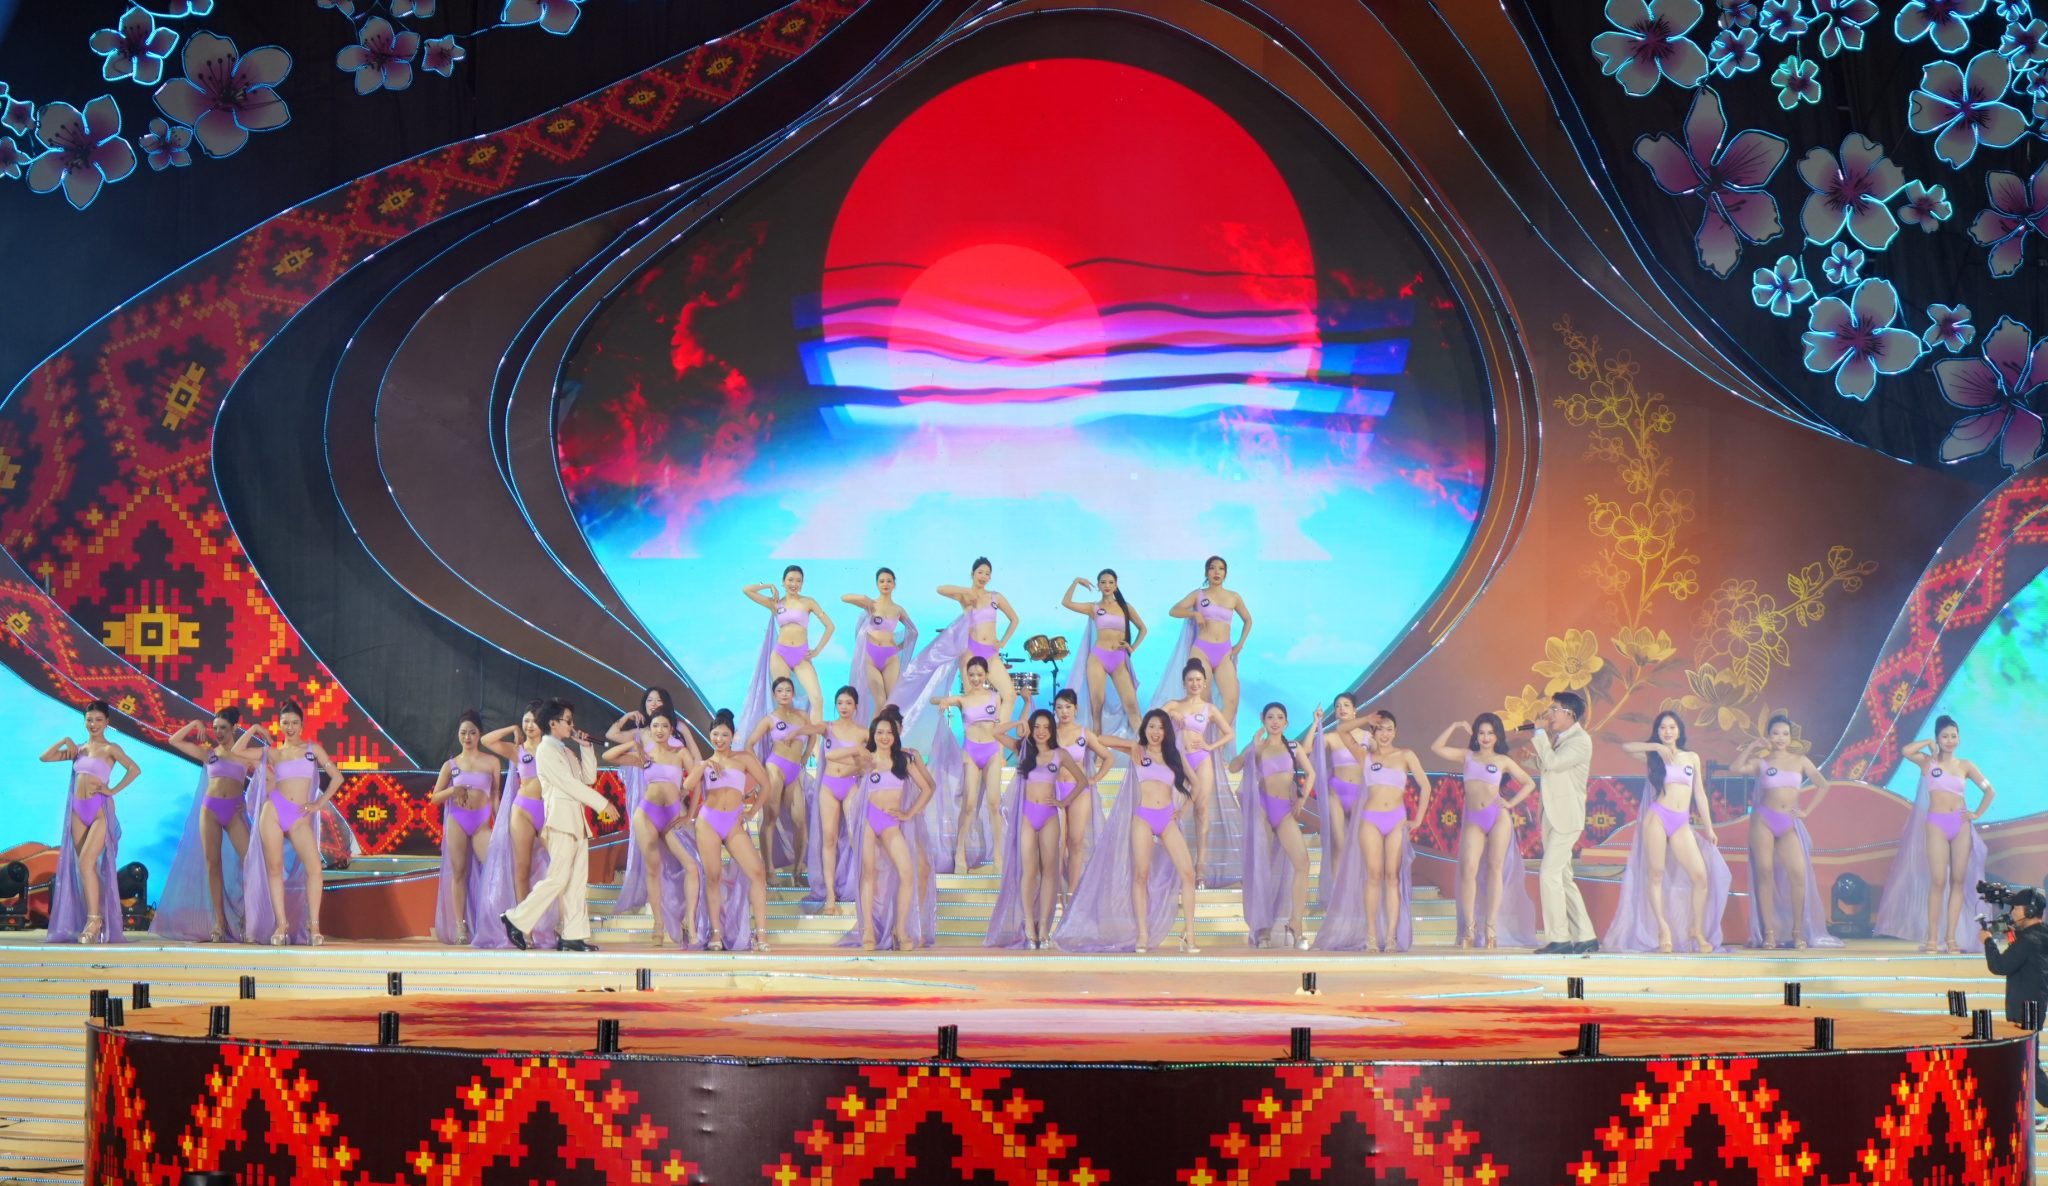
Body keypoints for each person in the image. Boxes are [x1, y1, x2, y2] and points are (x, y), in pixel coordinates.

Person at [1054, 709, 1201, 954]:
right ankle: (1142, 934)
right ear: (1145, 729)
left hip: (1167, 818)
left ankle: (1190, 934)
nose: (1156, 732)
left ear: (1167, 731)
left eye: (1160, 727)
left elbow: (1196, 785)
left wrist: (1182, 810)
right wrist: (1132, 744)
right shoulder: (1138, 752)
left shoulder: (1174, 756)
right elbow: (1102, 739)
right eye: (1151, 727)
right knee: (1140, 875)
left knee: (1187, 874)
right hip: (1143, 818)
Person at [500, 699, 620, 952]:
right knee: (558, 877)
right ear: (553, 723)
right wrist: (603, 804)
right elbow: (567, 783)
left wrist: (586, 748)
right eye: (568, 721)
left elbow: (587, 778)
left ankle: (572, 935)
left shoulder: (565, 750)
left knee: (576, 881)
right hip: (560, 819)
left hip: (576, 821)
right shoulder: (546, 749)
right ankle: (516, 918)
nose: (572, 726)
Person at [1610, 711, 1730, 954]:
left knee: (1700, 877)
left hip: (1681, 822)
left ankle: (1696, 930)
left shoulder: (1691, 757)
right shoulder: (1654, 755)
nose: (1667, 731)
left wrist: (1709, 827)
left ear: (1679, 730)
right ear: (1658, 731)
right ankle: (1663, 929)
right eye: (1663, 727)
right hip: (1657, 818)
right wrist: (1655, 746)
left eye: (1672, 727)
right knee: (1656, 874)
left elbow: (1699, 793)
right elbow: (1626, 747)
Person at [1313, 710, 1432, 953]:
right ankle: (1371, 937)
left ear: (1395, 732)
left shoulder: (1406, 755)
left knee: (1392, 877)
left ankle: (1391, 938)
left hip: (1396, 820)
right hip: (1370, 820)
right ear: (1373, 732)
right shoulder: (1364, 755)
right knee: (1374, 875)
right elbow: (1342, 730)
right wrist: (1366, 719)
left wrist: (1418, 819)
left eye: (1389, 729)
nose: (1385, 734)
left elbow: (1426, 786)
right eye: (1380, 729)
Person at [1876, 715, 1995, 953]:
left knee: (1958, 881)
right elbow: (1906, 751)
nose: (1950, 740)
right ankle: (1932, 937)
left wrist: (1976, 813)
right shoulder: (1928, 763)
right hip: (1936, 824)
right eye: (1945, 736)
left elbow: (1989, 791)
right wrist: (1927, 743)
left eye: (1953, 736)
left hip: (1960, 825)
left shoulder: (1966, 766)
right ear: (1938, 739)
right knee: (1938, 880)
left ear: (1959, 738)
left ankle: (1951, 938)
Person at [236, 701, 345, 946]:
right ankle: (281, 925)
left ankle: (314, 926)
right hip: (274, 810)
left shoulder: (312, 750)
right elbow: (237, 750)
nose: (290, 727)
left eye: (295, 723)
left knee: (314, 868)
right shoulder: (274, 753)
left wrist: (318, 804)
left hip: (298, 816)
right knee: (275, 869)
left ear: (302, 725)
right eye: (285, 723)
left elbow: (337, 778)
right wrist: (254, 729)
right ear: (279, 725)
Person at [1730, 715, 1842, 950]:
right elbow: (1735, 768)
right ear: (1768, 736)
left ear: (1791, 737)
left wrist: (1806, 811)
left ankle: (1797, 932)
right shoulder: (1762, 762)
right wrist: (1752, 747)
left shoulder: (1800, 760)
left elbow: (1823, 785)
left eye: (1785, 734)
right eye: (1775, 733)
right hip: (1763, 821)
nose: (1780, 738)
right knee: (1765, 873)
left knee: (1798, 874)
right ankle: (1769, 934)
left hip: (1787, 824)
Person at [1429, 713, 1538, 950]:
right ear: (1476, 735)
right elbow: (1436, 748)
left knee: (1495, 869)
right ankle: (1469, 928)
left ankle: (1490, 927)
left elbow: (1529, 782)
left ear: (1497, 736)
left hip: (1497, 817)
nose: (1486, 737)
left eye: (1490, 733)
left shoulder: (1502, 760)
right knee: (1468, 869)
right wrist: (1455, 724)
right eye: (1481, 733)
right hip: (1474, 820)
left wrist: (1511, 803)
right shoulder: (1467, 756)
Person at [987, 708, 1091, 949]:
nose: (1041, 732)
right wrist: (1019, 722)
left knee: (1050, 872)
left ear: (1051, 730)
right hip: (1026, 816)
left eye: (1046, 727)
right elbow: (995, 732)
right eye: (1037, 727)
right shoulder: (1023, 750)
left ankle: (1044, 927)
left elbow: (1082, 780)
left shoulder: (1060, 754)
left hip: (1049, 817)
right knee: (1029, 871)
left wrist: (1064, 802)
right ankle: (1029, 926)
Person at [839, 707, 940, 951]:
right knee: (868, 873)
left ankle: (900, 929)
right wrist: (856, 752)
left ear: (896, 735)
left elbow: (928, 788)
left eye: (889, 733)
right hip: (867, 819)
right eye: (880, 732)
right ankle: (868, 930)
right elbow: (836, 762)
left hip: (890, 821)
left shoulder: (904, 760)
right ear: (873, 734)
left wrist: (909, 813)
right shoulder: (868, 759)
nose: (884, 737)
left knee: (907, 872)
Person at [153, 706, 255, 943]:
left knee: (251, 862)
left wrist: (250, 804)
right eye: (215, 728)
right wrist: (194, 724)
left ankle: (248, 916)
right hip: (210, 810)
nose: (218, 732)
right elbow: (174, 740)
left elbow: (265, 781)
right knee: (213, 864)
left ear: (235, 728)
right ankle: (219, 921)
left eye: (223, 728)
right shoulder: (209, 754)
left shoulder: (245, 755)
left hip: (234, 812)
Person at [42, 700, 140, 944]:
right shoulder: (80, 749)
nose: (93, 724)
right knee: (84, 868)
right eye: (89, 720)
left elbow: (134, 769)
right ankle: (94, 916)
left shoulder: (110, 748)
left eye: (98, 720)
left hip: (99, 812)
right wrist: (66, 740)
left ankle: (94, 921)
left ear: (107, 722)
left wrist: (112, 790)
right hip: (78, 811)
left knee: (87, 863)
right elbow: (45, 757)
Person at [605, 708, 702, 946]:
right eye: (655, 726)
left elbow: (697, 779)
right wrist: (634, 745)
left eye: (664, 726)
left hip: (672, 817)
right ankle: (658, 924)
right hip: (646, 815)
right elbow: (609, 756)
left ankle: (690, 921)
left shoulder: (680, 752)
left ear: (671, 730)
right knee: (653, 869)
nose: (659, 730)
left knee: (692, 866)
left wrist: (690, 814)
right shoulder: (645, 755)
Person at [685, 708, 774, 951]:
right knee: (713, 876)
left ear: (732, 736)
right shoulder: (705, 764)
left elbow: (766, 785)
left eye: (724, 735)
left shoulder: (743, 758)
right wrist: (704, 765)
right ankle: (716, 934)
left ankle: (761, 935)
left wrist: (751, 812)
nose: (719, 739)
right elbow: (687, 785)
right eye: (715, 734)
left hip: (733, 823)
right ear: (710, 735)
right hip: (708, 823)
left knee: (757, 872)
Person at [928, 656, 1024, 873]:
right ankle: (960, 852)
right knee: (969, 804)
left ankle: (998, 854)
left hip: (992, 751)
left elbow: (999, 727)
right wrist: (942, 701)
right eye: (971, 675)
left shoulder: (995, 698)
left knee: (993, 803)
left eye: (980, 674)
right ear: (967, 676)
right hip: (971, 752)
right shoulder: (962, 699)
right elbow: (935, 699)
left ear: (986, 675)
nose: (975, 678)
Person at [1232, 702, 1313, 950]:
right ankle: (1263, 928)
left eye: (1279, 717)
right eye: (1270, 717)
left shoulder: (1293, 747)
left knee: (1303, 863)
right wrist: (1251, 748)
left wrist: (1302, 798)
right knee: (1262, 868)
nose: (1275, 721)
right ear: (1263, 720)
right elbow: (1233, 767)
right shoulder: (1258, 746)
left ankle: (1295, 924)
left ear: (1286, 723)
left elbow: (1311, 773)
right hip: (1263, 809)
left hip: (1285, 812)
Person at [1160, 659, 1237, 888]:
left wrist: (1211, 746)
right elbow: (1153, 720)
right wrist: (1171, 715)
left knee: (1201, 810)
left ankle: (1200, 866)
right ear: (1184, 682)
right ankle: (1174, 864)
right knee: (1173, 809)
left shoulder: (1209, 709)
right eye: (1190, 680)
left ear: (1204, 683)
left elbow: (1229, 733)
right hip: (1177, 761)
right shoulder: (1173, 704)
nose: (1194, 684)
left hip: (1201, 760)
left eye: (1198, 680)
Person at [1529, 691, 1596, 954]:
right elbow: (1547, 765)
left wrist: (1539, 734)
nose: (1550, 714)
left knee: (1549, 873)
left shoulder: (1580, 741)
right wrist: (1526, 757)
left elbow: (1554, 763)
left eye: (1554, 709)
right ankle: (1586, 936)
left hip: (1567, 817)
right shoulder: (1561, 739)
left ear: (1570, 713)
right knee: (1563, 877)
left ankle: (1559, 939)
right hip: (1553, 814)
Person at [428, 711, 502, 945]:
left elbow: (496, 795)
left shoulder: (492, 762)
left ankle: (491, 921)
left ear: (479, 734)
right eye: (463, 733)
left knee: (493, 868)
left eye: (472, 733)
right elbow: (435, 798)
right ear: (458, 735)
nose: (467, 737)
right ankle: (461, 926)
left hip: (482, 823)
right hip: (458, 821)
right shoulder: (450, 765)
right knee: (459, 872)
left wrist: (500, 822)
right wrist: (453, 790)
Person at [797, 686, 868, 916]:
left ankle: (862, 888)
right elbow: (810, 728)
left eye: (848, 703)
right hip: (829, 787)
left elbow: (876, 755)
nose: (844, 707)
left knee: (856, 837)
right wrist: (793, 730)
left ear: (856, 706)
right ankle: (830, 895)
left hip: (851, 786)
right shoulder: (827, 727)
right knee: (829, 839)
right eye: (840, 703)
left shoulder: (863, 733)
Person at [1980, 887, 2048, 1124]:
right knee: (2025, 1062)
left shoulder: (2028, 941)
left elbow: (1999, 965)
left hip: (2024, 1008)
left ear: (2029, 910)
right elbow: (2017, 941)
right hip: (2033, 1005)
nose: (2012, 913)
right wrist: (2004, 930)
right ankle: (2024, 1113)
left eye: (2016, 908)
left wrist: (1988, 941)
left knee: (2027, 1063)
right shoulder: (2040, 934)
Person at [1164, 556, 1252, 728]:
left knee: (1232, 701)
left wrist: (1240, 644)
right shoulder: (1198, 595)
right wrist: (1194, 613)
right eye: (1212, 568)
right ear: (1206, 573)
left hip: (1224, 653)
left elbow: (1248, 620)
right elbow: (1174, 610)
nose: (1216, 572)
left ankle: (1217, 742)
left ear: (1225, 573)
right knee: (1200, 702)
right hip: (1202, 651)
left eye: (1221, 568)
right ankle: (1197, 740)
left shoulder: (1233, 597)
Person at [743, 675, 813, 884]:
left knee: (800, 821)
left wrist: (805, 756)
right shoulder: (770, 719)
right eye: (780, 691)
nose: (784, 694)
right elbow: (749, 744)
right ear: (774, 695)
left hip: (794, 771)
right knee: (770, 818)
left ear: (793, 694)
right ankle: (769, 869)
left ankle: (798, 868)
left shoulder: (803, 716)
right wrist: (760, 770)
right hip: (775, 768)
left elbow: (814, 735)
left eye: (788, 690)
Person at [742, 566, 835, 723]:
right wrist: (768, 585)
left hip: (801, 655)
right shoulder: (776, 604)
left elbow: (830, 626)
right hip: (780, 655)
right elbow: (747, 590)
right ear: (783, 582)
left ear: (802, 584)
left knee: (817, 699)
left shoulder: (808, 602)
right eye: (790, 580)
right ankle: (785, 736)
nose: (794, 584)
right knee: (783, 701)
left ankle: (816, 739)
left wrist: (817, 650)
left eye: (798, 581)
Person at [1060, 570, 1147, 735]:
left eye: (1111, 582)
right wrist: (1076, 581)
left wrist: (1132, 647)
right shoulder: (1093, 608)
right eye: (1103, 582)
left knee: (1132, 706)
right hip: (1098, 658)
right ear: (1098, 585)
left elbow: (1143, 629)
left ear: (1116, 585)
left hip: (1119, 659)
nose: (1107, 585)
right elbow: (1066, 602)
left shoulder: (1125, 607)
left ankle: (1145, 746)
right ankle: (1097, 747)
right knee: (1097, 708)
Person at [842, 568, 918, 723]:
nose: (885, 584)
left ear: (894, 584)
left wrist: (899, 647)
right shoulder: (870, 604)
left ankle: (891, 735)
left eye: (889, 581)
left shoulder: (898, 609)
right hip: (870, 656)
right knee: (880, 700)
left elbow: (913, 631)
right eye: (881, 581)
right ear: (877, 584)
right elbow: (844, 598)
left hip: (890, 657)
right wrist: (864, 598)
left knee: (891, 703)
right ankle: (872, 737)